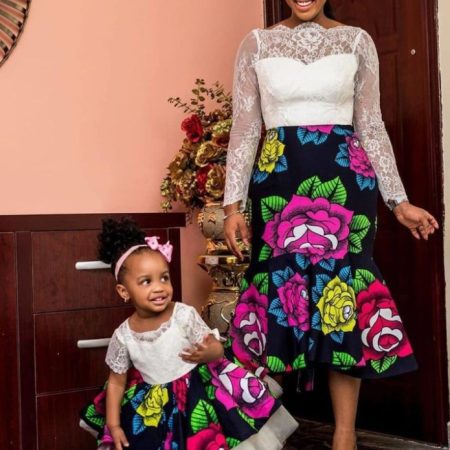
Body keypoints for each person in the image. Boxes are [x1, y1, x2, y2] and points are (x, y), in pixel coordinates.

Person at [223, 1, 439, 449]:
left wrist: (398, 201)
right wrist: (232, 207)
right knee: (277, 296)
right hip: (278, 181)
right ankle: (254, 434)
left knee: (342, 298)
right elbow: (244, 128)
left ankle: (345, 435)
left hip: (346, 180)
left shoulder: (357, 41)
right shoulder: (256, 44)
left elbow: (371, 125)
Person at [79, 217, 298, 450]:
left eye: (164, 277)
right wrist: (114, 425)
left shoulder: (183, 315)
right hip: (155, 408)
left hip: (196, 395)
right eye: (146, 282)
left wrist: (209, 352)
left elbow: (216, 347)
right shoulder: (123, 335)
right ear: (124, 291)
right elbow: (116, 383)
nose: (159, 287)